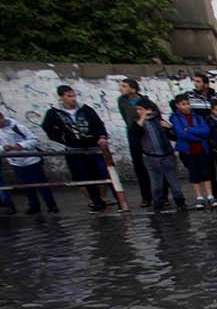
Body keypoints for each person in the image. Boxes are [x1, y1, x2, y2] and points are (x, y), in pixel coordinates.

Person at [42, 85, 114, 212]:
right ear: (61, 98)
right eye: (69, 96)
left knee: (103, 173)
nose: (73, 99)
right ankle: (95, 201)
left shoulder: (85, 109)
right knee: (83, 175)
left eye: (74, 95)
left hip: (92, 146)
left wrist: (102, 136)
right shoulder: (54, 113)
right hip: (74, 148)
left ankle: (108, 198)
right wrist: (62, 138)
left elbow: (98, 124)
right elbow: (47, 127)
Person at [0, 108, 57, 214]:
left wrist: (21, 145)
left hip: (31, 160)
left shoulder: (17, 127)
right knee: (26, 186)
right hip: (15, 162)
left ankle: (51, 205)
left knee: (41, 184)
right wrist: (2, 148)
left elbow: (34, 139)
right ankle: (34, 206)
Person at [134, 99, 188, 211]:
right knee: (156, 183)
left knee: (173, 181)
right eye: (138, 110)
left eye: (141, 109)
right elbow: (135, 133)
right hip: (151, 157)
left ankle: (180, 202)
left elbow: (174, 137)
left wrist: (170, 128)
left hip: (167, 155)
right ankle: (158, 204)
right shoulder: (139, 123)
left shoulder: (159, 121)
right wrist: (143, 118)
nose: (139, 112)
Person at [171, 94, 215, 208]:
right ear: (178, 105)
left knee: (206, 171)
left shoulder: (198, 117)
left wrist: (190, 129)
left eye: (188, 104)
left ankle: (210, 195)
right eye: (183, 104)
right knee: (194, 172)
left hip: (201, 148)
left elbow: (206, 131)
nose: (186, 106)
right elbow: (181, 134)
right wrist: (198, 135)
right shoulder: (175, 118)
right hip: (188, 149)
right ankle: (199, 196)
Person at [117, 78, 153, 206]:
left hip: (147, 133)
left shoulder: (145, 100)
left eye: (124, 86)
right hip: (134, 134)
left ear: (133, 88)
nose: (121, 89)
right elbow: (127, 117)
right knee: (139, 165)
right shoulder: (122, 101)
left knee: (155, 163)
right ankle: (146, 196)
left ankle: (161, 194)